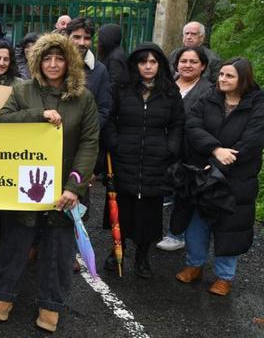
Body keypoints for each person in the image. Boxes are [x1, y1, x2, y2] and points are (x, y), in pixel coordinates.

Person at [0, 33, 99, 333]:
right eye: (47, 58)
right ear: (38, 60)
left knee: (59, 250)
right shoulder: (22, 90)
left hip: (64, 186)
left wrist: (74, 187)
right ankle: (3, 296)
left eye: (59, 58)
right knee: (15, 243)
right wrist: (38, 115)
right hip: (24, 183)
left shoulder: (83, 98)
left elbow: (89, 143)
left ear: (69, 62)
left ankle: (51, 305)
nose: (53, 64)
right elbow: (2, 122)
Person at [175, 57, 263, 296]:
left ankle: (225, 277)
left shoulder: (258, 103)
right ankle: (194, 266)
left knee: (230, 226)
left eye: (229, 76)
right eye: (221, 75)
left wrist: (217, 164)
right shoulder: (209, 98)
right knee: (197, 224)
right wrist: (215, 150)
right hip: (204, 173)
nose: (222, 80)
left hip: (237, 177)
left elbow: (252, 140)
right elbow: (192, 126)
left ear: (243, 79)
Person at [103, 42, 184, 278]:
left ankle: (142, 256)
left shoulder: (169, 91)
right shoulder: (121, 88)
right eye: (143, 62)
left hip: (156, 159)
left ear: (159, 65)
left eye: (153, 62)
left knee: (149, 212)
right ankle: (117, 249)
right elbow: (109, 118)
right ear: (135, 65)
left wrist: (171, 148)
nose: (148, 67)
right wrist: (114, 142)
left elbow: (178, 123)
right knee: (122, 207)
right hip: (124, 157)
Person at [156, 46, 213, 252]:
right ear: (176, 63)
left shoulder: (209, 90)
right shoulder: (166, 85)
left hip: (191, 150)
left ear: (203, 66)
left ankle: (176, 234)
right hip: (163, 147)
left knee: (184, 194)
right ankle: (153, 231)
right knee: (159, 191)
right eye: (183, 61)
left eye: (193, 62)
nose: (187, 65)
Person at [64, 18, 111, 128]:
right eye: (76, 37)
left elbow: (103, 109)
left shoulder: (100, 70)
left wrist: (87, 133)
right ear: (67, 37)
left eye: (87, 38)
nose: (82, 43)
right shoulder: (54, 65)